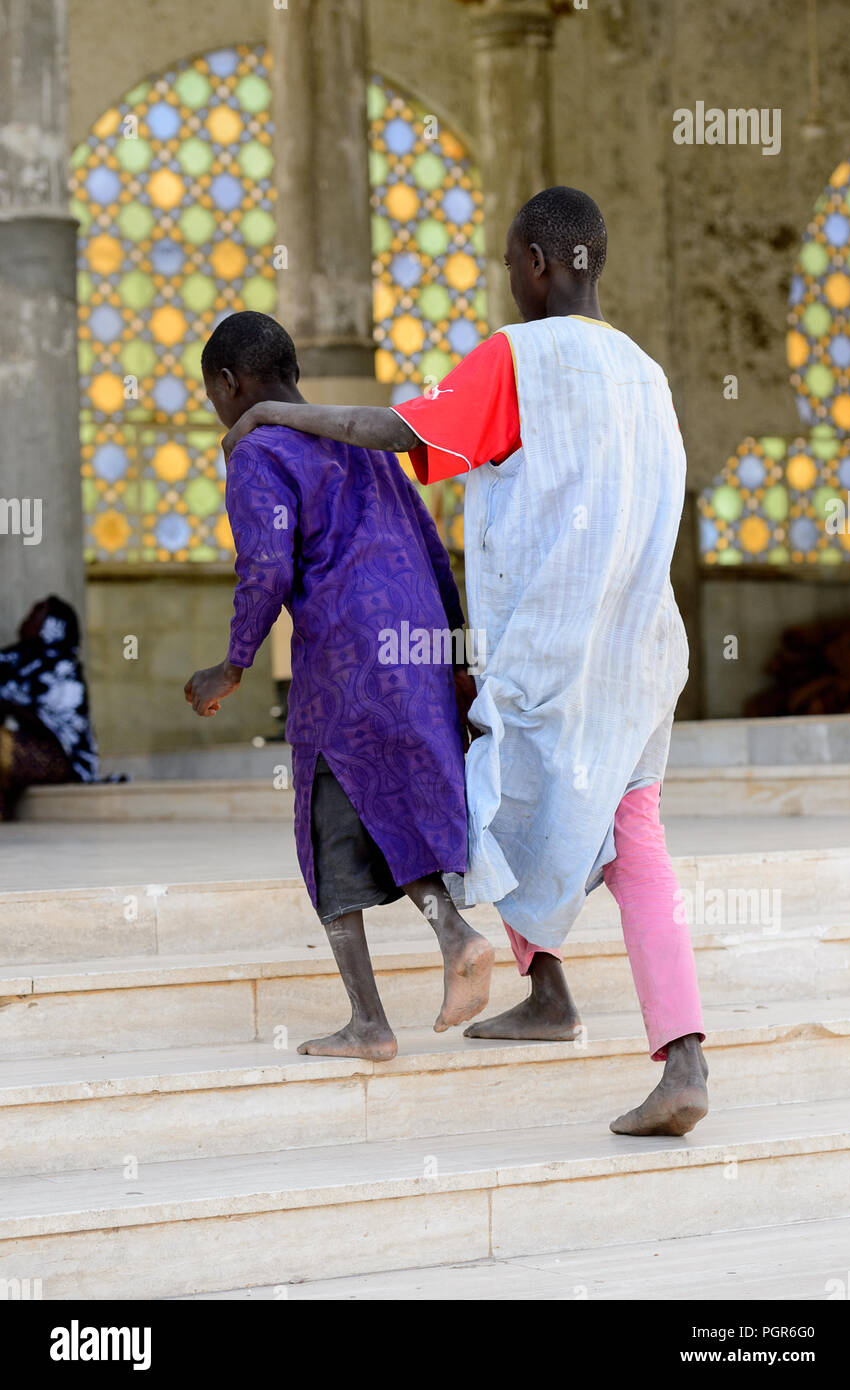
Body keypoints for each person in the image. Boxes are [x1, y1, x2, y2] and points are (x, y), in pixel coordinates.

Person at [221, 189, 709, 1137]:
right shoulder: (646, 372)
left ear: (535, 261)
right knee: (632, 844)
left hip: (548, 651)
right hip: (642, 650)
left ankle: (503, 983)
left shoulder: (518, 358)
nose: (505, 279)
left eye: (503, 262)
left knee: (476, 808)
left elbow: (399, 432)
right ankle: (666, 1052)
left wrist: (278, 413)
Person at [185, 311, 493, 1061]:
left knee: (326, 832)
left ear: (229, 384)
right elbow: (431, 545)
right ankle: (452, 934)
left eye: (212, 395)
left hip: (345, 660)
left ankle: (370, 1022)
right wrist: (454, 655)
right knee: (377, 803)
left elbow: (266, 568)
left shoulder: (258, 451)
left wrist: (231, 663)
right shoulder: (359, 439)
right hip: (415, 643)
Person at [0, 596, 98, 820]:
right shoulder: (17, 659)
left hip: (59, 759)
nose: (26, 620)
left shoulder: (63, 670)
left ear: (51, 624)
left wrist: (10, 706)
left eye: (35, 614)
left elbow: (54, 728)